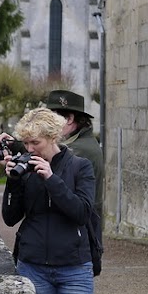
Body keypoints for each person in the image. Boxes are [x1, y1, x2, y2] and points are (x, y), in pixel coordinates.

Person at [1, 107, 96, 294]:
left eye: (35, 142)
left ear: (53, 137)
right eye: (26, 143)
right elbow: (10, 218)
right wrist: (12, 182)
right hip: (33, 267)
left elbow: (82, 213)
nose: (30, 149)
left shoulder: (80, 167)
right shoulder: (26, 168)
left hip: (74, 269)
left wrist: (52, 180)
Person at [44, 90, 104, 221]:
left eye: (52, 120)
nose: (48, 127)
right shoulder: (82, 141)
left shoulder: (80, 148)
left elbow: (53, 158)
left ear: (70, 119)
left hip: (81, 228)